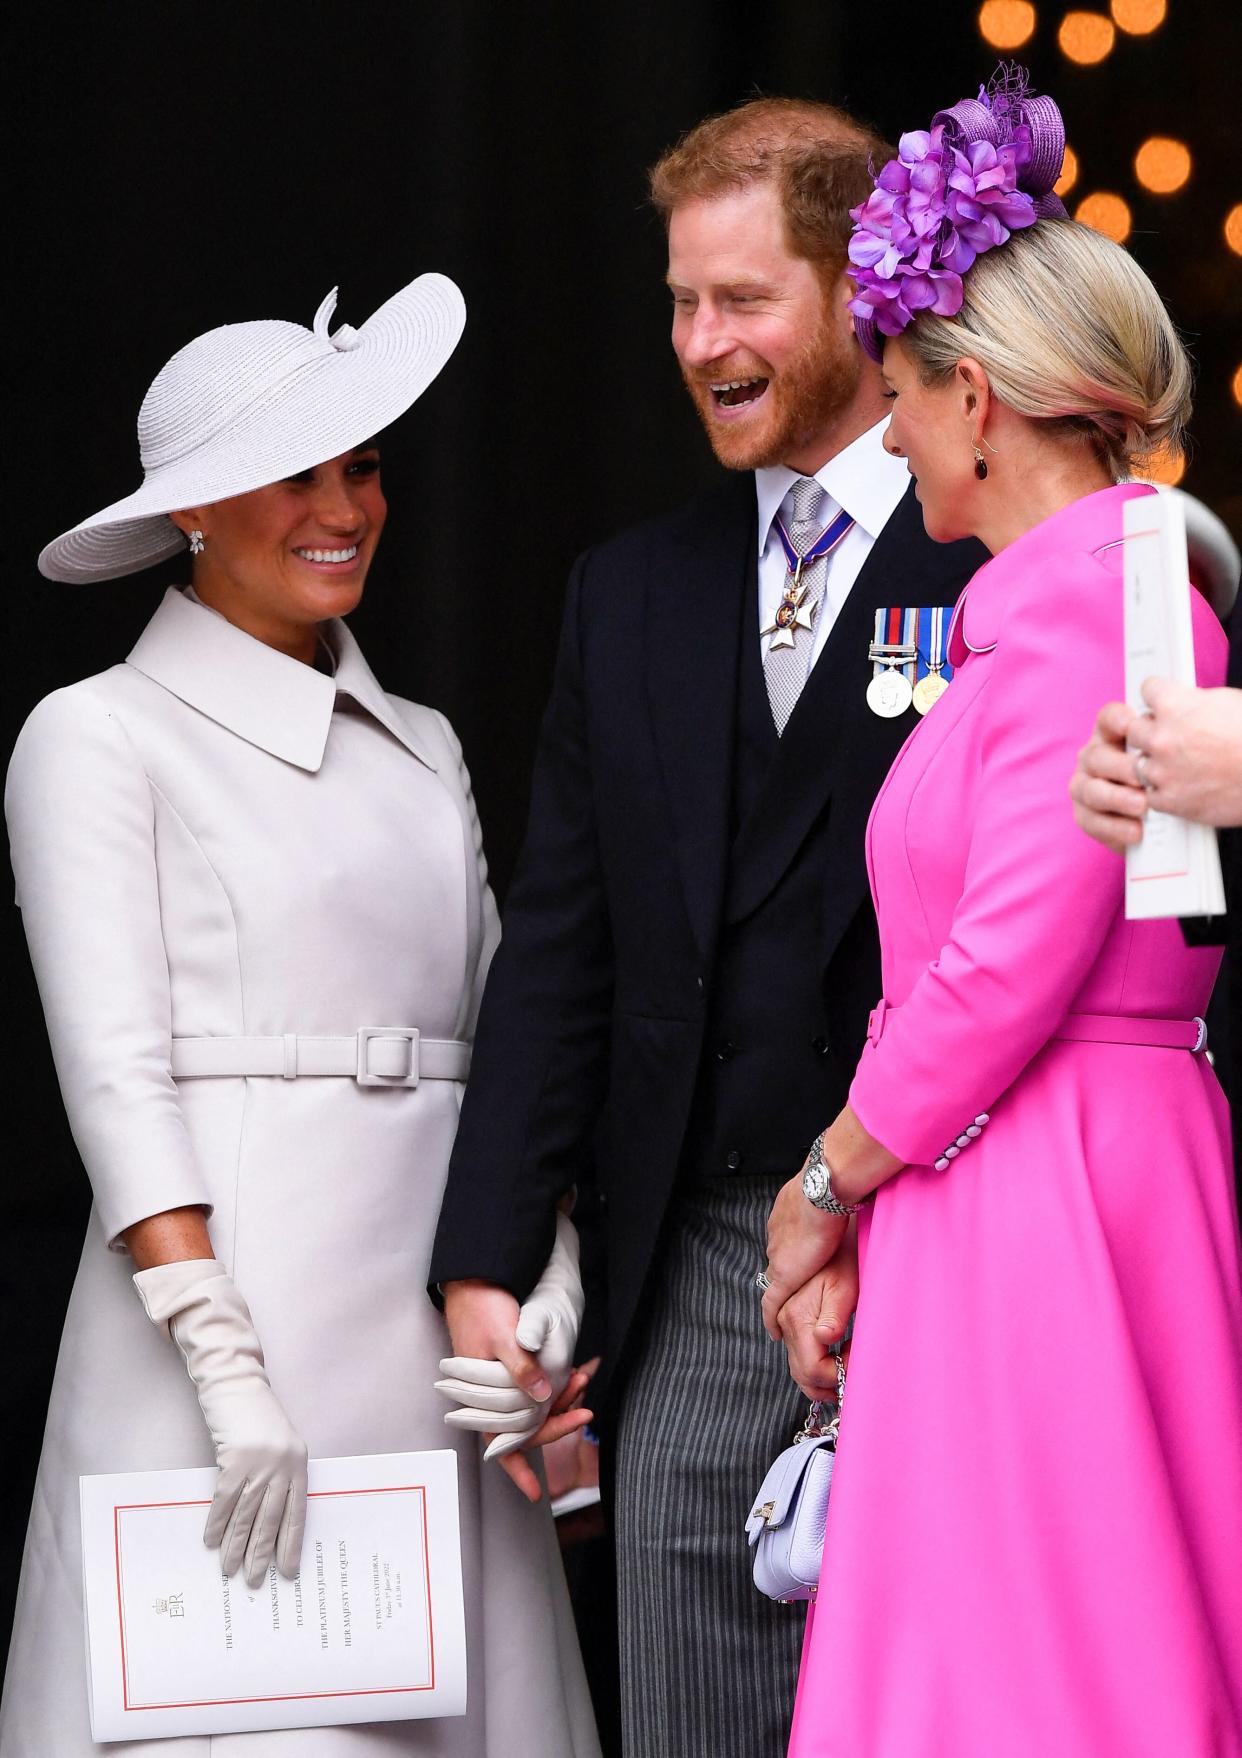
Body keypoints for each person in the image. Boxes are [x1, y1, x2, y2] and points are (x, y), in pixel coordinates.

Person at [427, 99, 985, 1756]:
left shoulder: (1001, 547)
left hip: (947, 1231)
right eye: (680, 302)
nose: (699, 341)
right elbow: (564, 950)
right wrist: (487, 1251)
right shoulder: (629, 588)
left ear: (860, 297)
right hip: (699, 1263)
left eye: (742, 299)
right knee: (681, 1703)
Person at [0, 278, 601, 1757]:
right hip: (220, 1358)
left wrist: (547, 1280)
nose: (345, 507)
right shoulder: (95, 735)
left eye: (365, 465)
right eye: (298, 474)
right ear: (198, 508)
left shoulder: (427, 748)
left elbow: (502, 1043)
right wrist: (223, 1365)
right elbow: (114, 1077)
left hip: (436, 1370)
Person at [760, 76, 1242, 1757]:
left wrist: (823, 1184)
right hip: (1007, 1172)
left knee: (1048, 1666)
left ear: (975, 398)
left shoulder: (1107, 605)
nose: (885, 436)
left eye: (896, 397)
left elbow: (998, 970)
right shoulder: (1044, 608)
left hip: (1056, 1182)